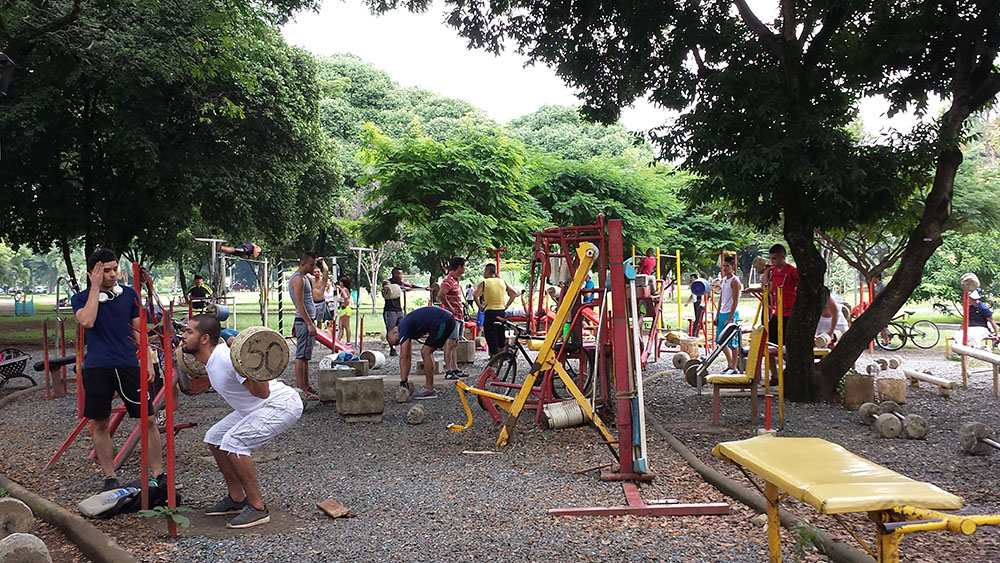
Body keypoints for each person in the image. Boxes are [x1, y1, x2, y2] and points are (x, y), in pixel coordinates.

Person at [181, 314, 302, 529]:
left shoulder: (226, 360)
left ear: (204, 339)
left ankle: (257, 507)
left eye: (189, 332)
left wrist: (250, 364)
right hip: (256, 407)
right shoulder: (210, 358)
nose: (183, 336)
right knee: (215, 438)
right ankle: (237, 498)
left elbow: (263, 392)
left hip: (281, 404)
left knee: (234, 442)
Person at [72, 249, 164, 492]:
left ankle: (159, 473)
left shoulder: (130, 295)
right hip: (97, 367)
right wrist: (94, 289)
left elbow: (139, 331)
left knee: (148, 420)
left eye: (115, 269)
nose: (113, 274)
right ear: (94, 273)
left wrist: (147, 361)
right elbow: (88, 321)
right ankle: (110, 477)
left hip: (127, 365)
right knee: (100, 423)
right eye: (107, 270)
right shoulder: (80, 299)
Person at [386, 306, 459, 399]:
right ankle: (430, 389)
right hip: (445, 319)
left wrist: (403, 382)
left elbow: (404, 356)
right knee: (426, 352)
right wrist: (404, 381)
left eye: (397, 341)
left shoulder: (402, 327)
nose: (399, 343)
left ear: (395, 332)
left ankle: (430, 390)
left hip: (443, 320)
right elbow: (407, 355)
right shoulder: (407, 327)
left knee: (426, 352)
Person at [761, 244, 798, 380]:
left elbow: (799, 289)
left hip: (790, 313)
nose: (772, 262)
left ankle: (790, 375)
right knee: (767, 342)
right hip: (778, 312)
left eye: (775, 259)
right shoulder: (774, 271)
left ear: (783, 257)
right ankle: (774, 375)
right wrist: (766, 272)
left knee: (789, 346)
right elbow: (767, 288)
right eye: (771, 259)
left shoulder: (792, 271)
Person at [474, 263, 519, 357]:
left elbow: (475, 295)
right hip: (501, 311)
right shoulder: (502, 282)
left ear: (488, 271)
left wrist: (480, 307)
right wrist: (506, 305)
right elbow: (513, 293)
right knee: (500, 333)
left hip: (490, 311)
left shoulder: (484, 282)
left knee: (490, 335)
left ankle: (495, 358)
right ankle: (501, 356)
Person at [288, 252, 318, 396]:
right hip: (303, 321)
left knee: (306, 356)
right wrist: (309, 323)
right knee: (301, 356)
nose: (313, 267)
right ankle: (301, 389)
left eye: (314, 264)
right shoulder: (298, 279)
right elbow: (299, 303)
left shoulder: (304, 278)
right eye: (311, 264)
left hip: (306, 320)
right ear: (302, 263)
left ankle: (306, 385)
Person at [438, 257, 467, 379]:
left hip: (459, 316)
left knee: (455, 342)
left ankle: (455, 368)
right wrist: (449, 307)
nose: (465, 268)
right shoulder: (449, 280)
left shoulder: (456, 280)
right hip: (452, 317)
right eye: (464, 266)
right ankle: (448, 370)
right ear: (459, 267)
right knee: (450, 342)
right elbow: (440, 294)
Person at [382, 268, 419, 357]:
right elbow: (391, 287)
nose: (401, 276)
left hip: (399, 310)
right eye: (400, 274)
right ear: (394, 274)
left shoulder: (400, 283)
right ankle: (392, 349)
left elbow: (410, 285)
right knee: (390, 330)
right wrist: (404, 288)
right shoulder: (387, 282)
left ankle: (404, 348)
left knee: (403, 327)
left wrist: (424, 288)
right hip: (390, 310)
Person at [716, 257, 743, 374]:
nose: (725, 268)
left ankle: (734, 367)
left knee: (732, 342)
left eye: (727, 266)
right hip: (722, 313)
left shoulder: (735, 281)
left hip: (730, 314)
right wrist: (717, 315)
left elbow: (735, 301)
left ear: (732, 267)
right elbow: (721, 298)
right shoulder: (724, 281)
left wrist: (730, 317)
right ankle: (730, 364)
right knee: (720, 341)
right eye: (724, 266)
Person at [306, 259, 329, 327]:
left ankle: (319, 336)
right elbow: (305, 272)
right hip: (313, 302)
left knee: (319, 321)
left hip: (321, 302)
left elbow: (326, 270)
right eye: (315, 272)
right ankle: (313, 334)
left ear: (320, 272)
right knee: (311, 319)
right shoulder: (312, 279)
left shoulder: (323, 280)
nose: (316, 273)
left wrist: (322, 261)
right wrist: (303, 262)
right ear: (313, 273)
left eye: (318, 272)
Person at [336, 275, 353, 344]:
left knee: (346, 326)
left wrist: (345, 304)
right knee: (341, 326)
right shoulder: (342, 290)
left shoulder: (344, 290)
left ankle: (348, 341)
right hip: (342, 309)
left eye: (340, 282)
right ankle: (338, 340)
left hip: (345, 309)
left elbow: (346, 297)